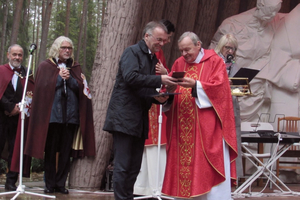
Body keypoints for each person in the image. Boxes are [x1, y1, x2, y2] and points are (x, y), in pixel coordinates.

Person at [103, 21, 178, 200]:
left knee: (134, 166)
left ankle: (127, 197)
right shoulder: (132, 52)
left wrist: (158, 98)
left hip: (139, 118)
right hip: (123, 118)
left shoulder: (152, 58)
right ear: (146, 36)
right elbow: (131, 77)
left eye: (164, 41)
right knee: (123, 165)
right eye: (158, 39)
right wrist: (160, 80)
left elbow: (142, 87)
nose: (161, 43)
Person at [162, 32, 237, 200]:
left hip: (207, 129)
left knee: (206, 172)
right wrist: (170, 90)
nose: (184, 54)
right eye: (181, 50)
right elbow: (170, 92)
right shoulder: (178, 63)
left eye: (187, 50)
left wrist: (196, 85)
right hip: (181, 129)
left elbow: (221, 90)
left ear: (198, 45)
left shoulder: (215, 62)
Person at [24, 36, 96, 194]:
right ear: (57, 48)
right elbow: (41, 88)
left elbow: (81, 88)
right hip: (52, 117)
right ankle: (49, 184)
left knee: (65, 152)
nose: (67, 50)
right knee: (50, 151)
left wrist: (69, 79)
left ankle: (61, 183)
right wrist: (58, 78)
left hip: (70, 117)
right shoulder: (46, 66)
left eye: (69, 48)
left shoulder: (75, 67)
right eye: (64, 47)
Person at [209, 0, 284, 122]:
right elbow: (212, 57)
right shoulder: (233, 24)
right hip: (221, 88)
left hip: (244, 89)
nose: (271, 16)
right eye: (268, 12)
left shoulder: (274, 24)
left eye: (274, 12)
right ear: (260, 5)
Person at [134, 19, 175, 196]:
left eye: (167, 39)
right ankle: (151, 187)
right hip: (149, 103)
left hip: (152, 104)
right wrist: (166, 75)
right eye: (163, 39)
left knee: (151, 147)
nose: (164, 43)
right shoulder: (147, 53)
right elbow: (158, 75)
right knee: (150, 146)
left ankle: (145, 188)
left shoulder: (157, 52)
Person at [0, 44, 33, 191]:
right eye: (14, 54)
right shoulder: (1, 71)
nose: (17, 57)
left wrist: (19, 108)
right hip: (1, 116)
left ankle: (11, 182)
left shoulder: (27, 73)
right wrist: (8, 107)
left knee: (15, 149)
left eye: (20, 55)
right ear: (8, 55)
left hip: (19, 119)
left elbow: (31, 94)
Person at [214, 33, 243, 181]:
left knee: (234, 140)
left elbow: (235, 89)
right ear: (221, 46)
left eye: (234, 49)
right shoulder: (214, 61)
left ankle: (235, 178)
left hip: (232, 106)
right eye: (228, 48)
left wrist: (241, 89)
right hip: (217, 108)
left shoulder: (235, 65)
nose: (230, 51)